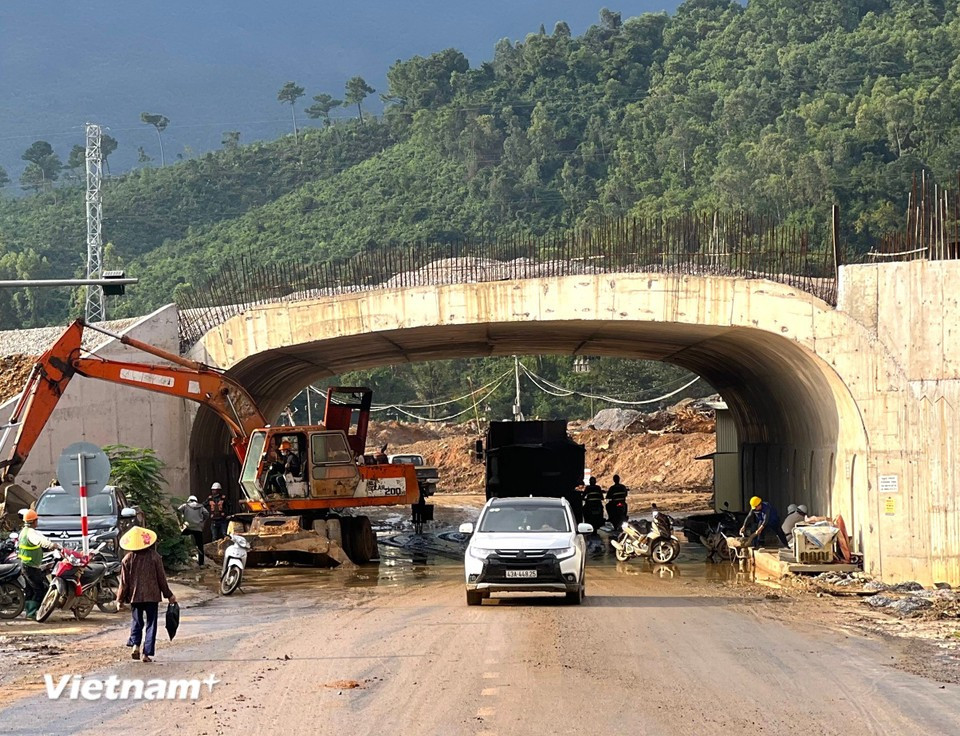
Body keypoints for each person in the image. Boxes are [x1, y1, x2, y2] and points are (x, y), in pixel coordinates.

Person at [115, 526, 177, 663]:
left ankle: (135, 645)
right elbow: (162, 579)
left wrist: (119, 599)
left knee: (137, 621)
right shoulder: (155, 557)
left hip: (135, 597)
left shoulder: (127, 559)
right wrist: (169, 595)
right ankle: (146, 654)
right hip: (152, 596)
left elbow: (123, 583)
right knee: (151, 623)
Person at [18, 509, 59, 619]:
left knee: (30, 590)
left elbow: (41, 538)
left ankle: (29, 612)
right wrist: (52, 545)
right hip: (31, 566)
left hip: (26, 565)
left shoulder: (24, 531)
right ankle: (32, 613)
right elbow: (40, 541)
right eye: (36, 520)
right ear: (33, 521)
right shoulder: (31, 533)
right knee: (39, 589)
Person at [177, 495, 210, 565]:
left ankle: (180, 560)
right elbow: (207, 514)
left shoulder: (185, 505)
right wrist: (202, 522)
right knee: (200, 545)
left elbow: (178, 510)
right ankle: (201, 563)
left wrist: (180, 521)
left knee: (180, 542)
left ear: (189, 500)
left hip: (188, 527)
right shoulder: (200, 507)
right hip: (198, 528)